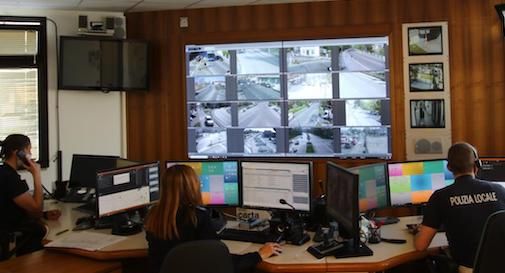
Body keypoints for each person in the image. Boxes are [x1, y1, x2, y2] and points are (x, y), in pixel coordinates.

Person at [144, 164, 282, 273]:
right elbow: (220, 260)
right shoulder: (197, 217)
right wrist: (258, 255)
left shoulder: (153, 216)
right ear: (193, 187)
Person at [415, 142, 505, 273]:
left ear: (449, 167)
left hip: (469, 269)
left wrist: (417, 233)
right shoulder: (499, 190)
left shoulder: (440, 197)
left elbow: (420, 245)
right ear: (476, 165)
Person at [0, 134, 61, 256]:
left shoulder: (3, 172)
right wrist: (36, 175)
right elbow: (36, 210)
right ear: (17, 153)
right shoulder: (11, 179)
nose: (31, 155)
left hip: (6, 228)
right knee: (44, 232)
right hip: (11, 235)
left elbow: (9, 208)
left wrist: (44, 215)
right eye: (28, 150)